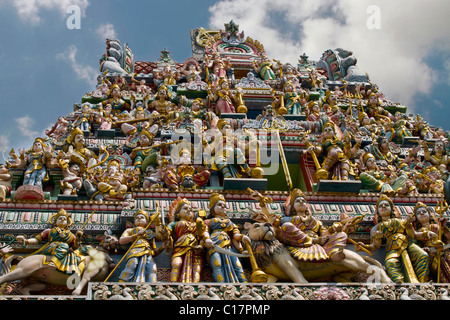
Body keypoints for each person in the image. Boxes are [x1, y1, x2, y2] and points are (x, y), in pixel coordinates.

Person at [356, 194, 430, 283]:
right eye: (380, 206)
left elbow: (414, 235)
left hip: (407, 244)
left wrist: (425, 233)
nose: (383, 207)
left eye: (386, 205)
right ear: (377, 212)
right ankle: (399, 283)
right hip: (392, 248)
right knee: (390, 264)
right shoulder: (376, 228)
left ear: (392, 209)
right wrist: (364, 246)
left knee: (423, 256)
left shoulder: (400, 221)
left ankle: (423, 282)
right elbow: (375, 246)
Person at [278, 188, 348, 262]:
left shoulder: (315, 221)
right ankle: (313, 240)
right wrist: (315, 240)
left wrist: (332, 229)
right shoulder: (287, 219)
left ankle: (333, 252)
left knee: (342, 234)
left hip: (318, 244)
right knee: (286, 226)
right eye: (298, 201)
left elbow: (324, 235)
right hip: (299, 243)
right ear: (292, 207)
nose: (301, 202)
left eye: (303, 201)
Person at [16, 208, 91, 277]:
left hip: (65, 251)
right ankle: (54, 262)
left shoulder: (71, 235)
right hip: (52, 247)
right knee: (64, 245)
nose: (62, 220)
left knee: (74, 253)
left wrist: (78, 237)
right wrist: (26, 241)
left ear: (67, 223)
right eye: (60, 218)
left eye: (64, 219)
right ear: (55, 222)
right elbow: (37, 239)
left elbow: (76, 247)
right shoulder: (49, 231)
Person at [165, 198, 212, 282]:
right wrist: (165, 233)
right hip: (180, 247)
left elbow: (201, 236)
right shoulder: (174, 223)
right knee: (177, 264)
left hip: (195, 249)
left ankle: (195, 287)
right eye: (185, 209)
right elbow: (166, 231)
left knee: (196, 268)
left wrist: (201, 245)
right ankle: (173, 285)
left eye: (190, 210)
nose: (188, 211)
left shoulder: (196, 224)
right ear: (178, 212)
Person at [204, 193, 248, 283]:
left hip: (229, 247)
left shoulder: (230, 223)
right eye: (219, 205)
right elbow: (205, 231)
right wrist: (207, 239)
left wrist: (242, 237)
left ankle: (244, 286)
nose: (223, 207)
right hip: (214, 246)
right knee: (217, 264)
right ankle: (221, 286)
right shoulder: (208, 221)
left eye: (224, 206)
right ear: (212, 209)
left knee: (237, 266)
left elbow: (235, 235)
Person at [118, 209, 167, 282]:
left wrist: (162, 248)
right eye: (137, 218)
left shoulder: (149, 233)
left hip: (147, 252)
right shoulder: (130, 230)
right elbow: (121, 241)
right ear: (134, 222)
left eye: (142, 217)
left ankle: (152, 286)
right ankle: (121, 283)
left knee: (152, 268)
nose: (139, 219)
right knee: (132, 265)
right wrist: (135, 236)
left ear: (147, 222)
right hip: (134, 251)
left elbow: (154, 251)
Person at [410, 202, 449, 282]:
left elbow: (448, 237)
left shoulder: (436, 226)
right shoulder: (417, 232)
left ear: (429, 215)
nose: (421, 213)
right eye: (418, 213)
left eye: (424, 212)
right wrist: (423, 249)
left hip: (442, 249)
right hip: (430, 253)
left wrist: (444, 227)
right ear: (416, 218)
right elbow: (415, 245)